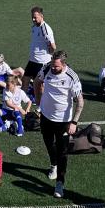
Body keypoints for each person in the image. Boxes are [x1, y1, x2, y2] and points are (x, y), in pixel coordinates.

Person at [35, 54, 85, 198]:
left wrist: (74, 122)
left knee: (62, 152)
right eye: (52, 65)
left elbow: (80, 102)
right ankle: (53, 165)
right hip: (46, 117)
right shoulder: (46, 69)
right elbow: (37, 82)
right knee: (49, 143)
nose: (53, 68)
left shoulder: (71, 77)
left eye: (56, 66)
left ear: (63, 64)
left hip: (63, 121)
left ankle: (59, 183)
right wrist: (38, 102)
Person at [27, 6, 60, 95]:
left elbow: (53, 46)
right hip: (32, 60)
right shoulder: (34, 26)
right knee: (25, 80)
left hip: (41, 61)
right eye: (32, 17)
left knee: (40, 84)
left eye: (35, 17)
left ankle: (41, 105)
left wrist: (49, 53)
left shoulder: (45, 29)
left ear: (42, 16)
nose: (33, 19)